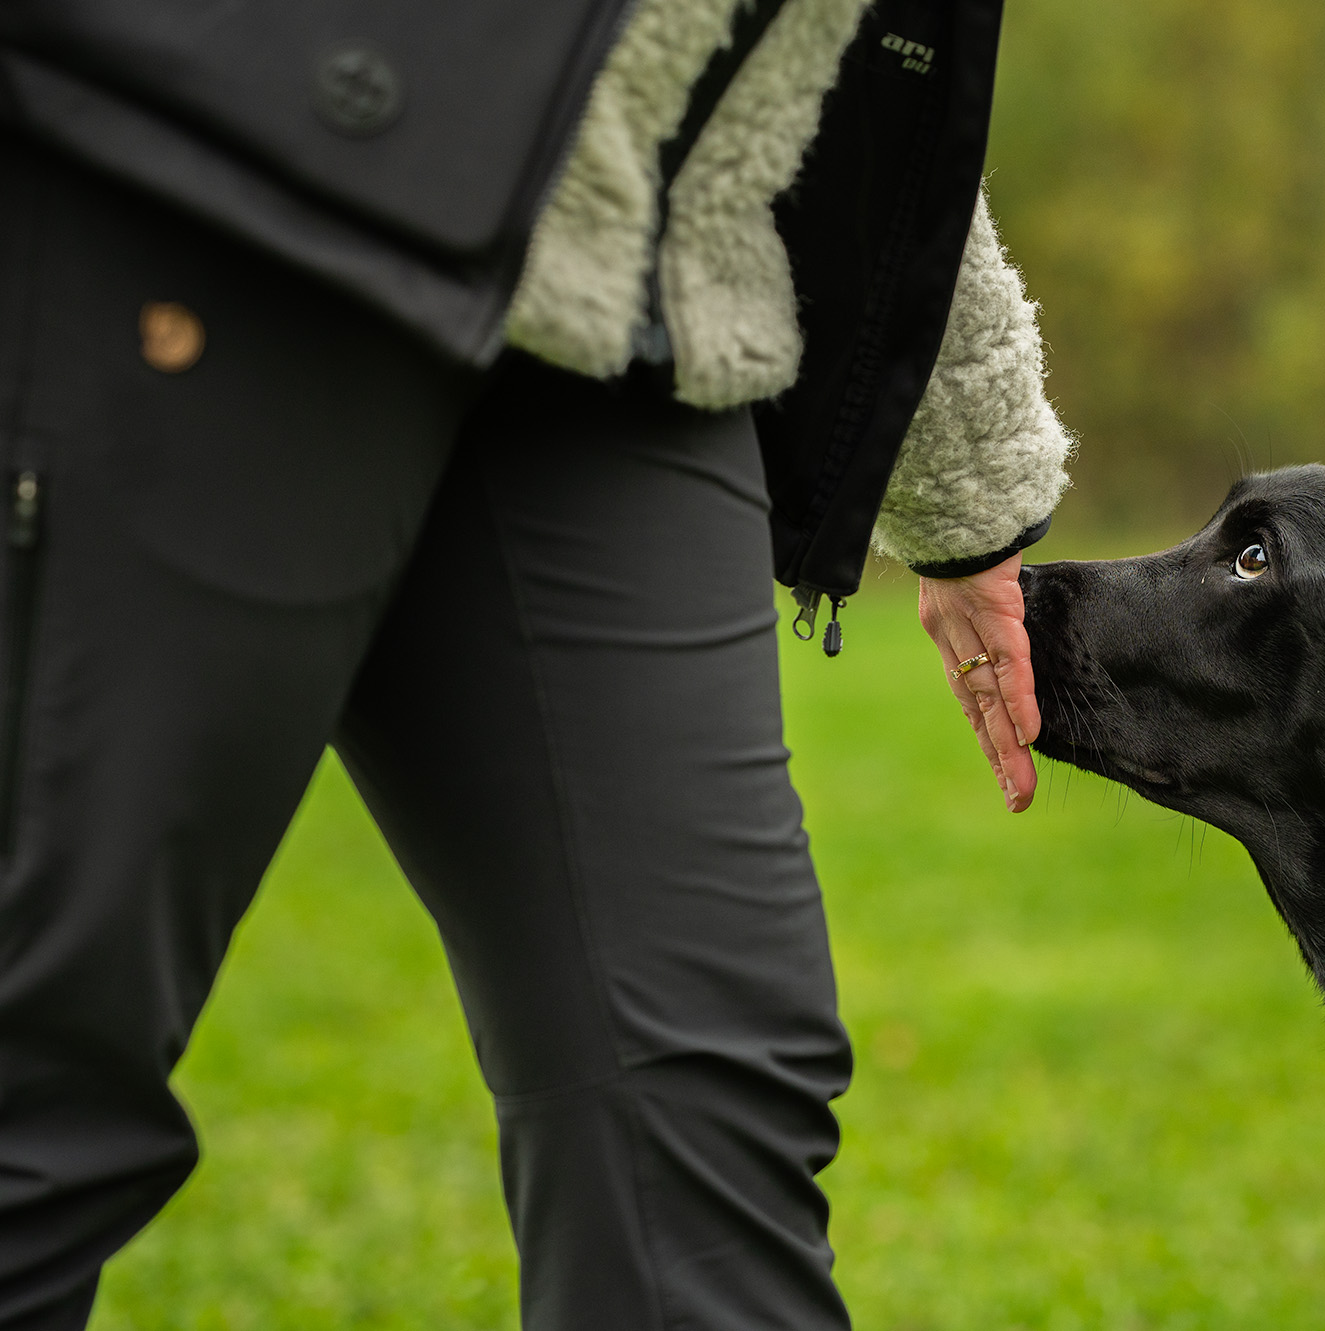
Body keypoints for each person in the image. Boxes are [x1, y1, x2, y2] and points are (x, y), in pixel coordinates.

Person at [0, 0, 1065, 1325]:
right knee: (39, 1084)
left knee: (701, 1105)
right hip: (237, 184)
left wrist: (967, 475)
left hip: (625, 306)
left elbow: (827, 46)